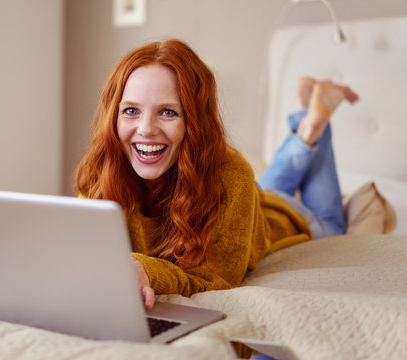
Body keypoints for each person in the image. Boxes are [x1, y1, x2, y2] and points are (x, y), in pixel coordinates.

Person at [75, 39, 359, 309]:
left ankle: (313, 124)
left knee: (333, 224)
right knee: (267, 185)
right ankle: (308, 116)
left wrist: (145, 269)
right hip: (258, 197)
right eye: (131, 110)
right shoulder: (105, 167)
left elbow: (219, 279)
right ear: (114, 116)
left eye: (168, 113)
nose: (146, 129)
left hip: (285, 216)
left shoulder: (232, 175)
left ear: (194, 122)